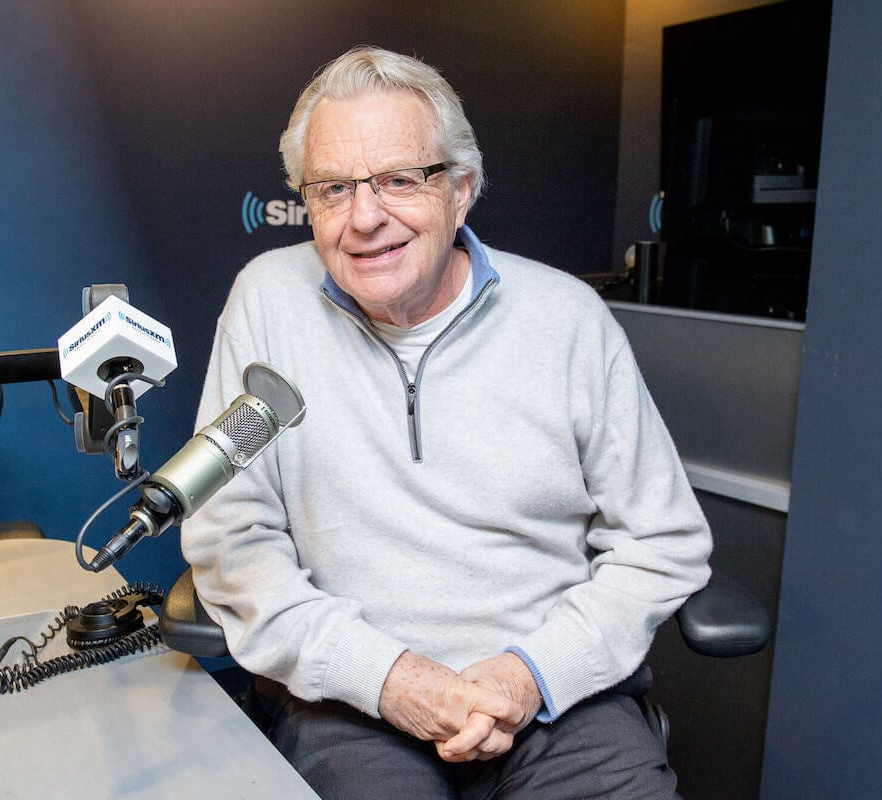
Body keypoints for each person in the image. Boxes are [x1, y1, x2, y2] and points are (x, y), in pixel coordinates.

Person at [181, 46, 712, 799]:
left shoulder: (568, 321)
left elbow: (663, 540)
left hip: (556, 704)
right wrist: (388, 677)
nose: (366, 218)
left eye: (401, 180)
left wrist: (529, 676)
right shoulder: (269, 303)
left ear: (461, 190)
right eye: (333, 188)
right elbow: (231, 534)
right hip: (352, 704)